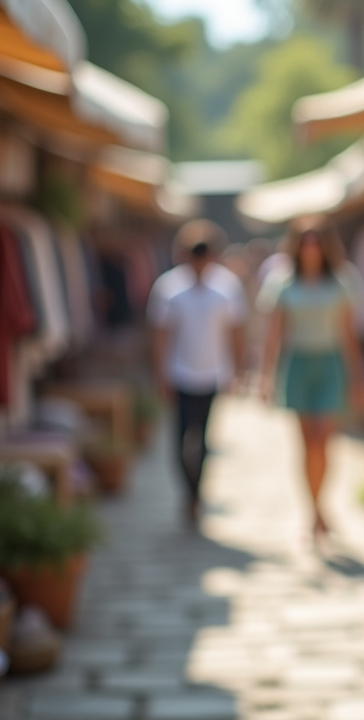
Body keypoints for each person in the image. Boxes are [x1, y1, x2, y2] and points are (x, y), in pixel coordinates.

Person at [260, 224, 364, 543]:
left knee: (323, 440)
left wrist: (357, 379)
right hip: (298, 364)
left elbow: (349, 334)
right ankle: (314, 510)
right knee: (306, 443)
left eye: (316, 242)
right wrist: (266, 376)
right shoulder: (282, 281)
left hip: (330, 364)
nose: (310, 248)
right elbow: (274, 333)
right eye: (304, 242)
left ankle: (322, 506)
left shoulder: (343, 280)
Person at [148, 221, 247, 526]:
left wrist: (237, 371)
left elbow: (236, 332)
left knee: (202, 437)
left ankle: (196, 494)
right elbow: (161, 335)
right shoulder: (169, 287)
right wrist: (161, 374)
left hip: (211, 373)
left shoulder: (227, 286)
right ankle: (188, 492)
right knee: (179, 439)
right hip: (179, 373)